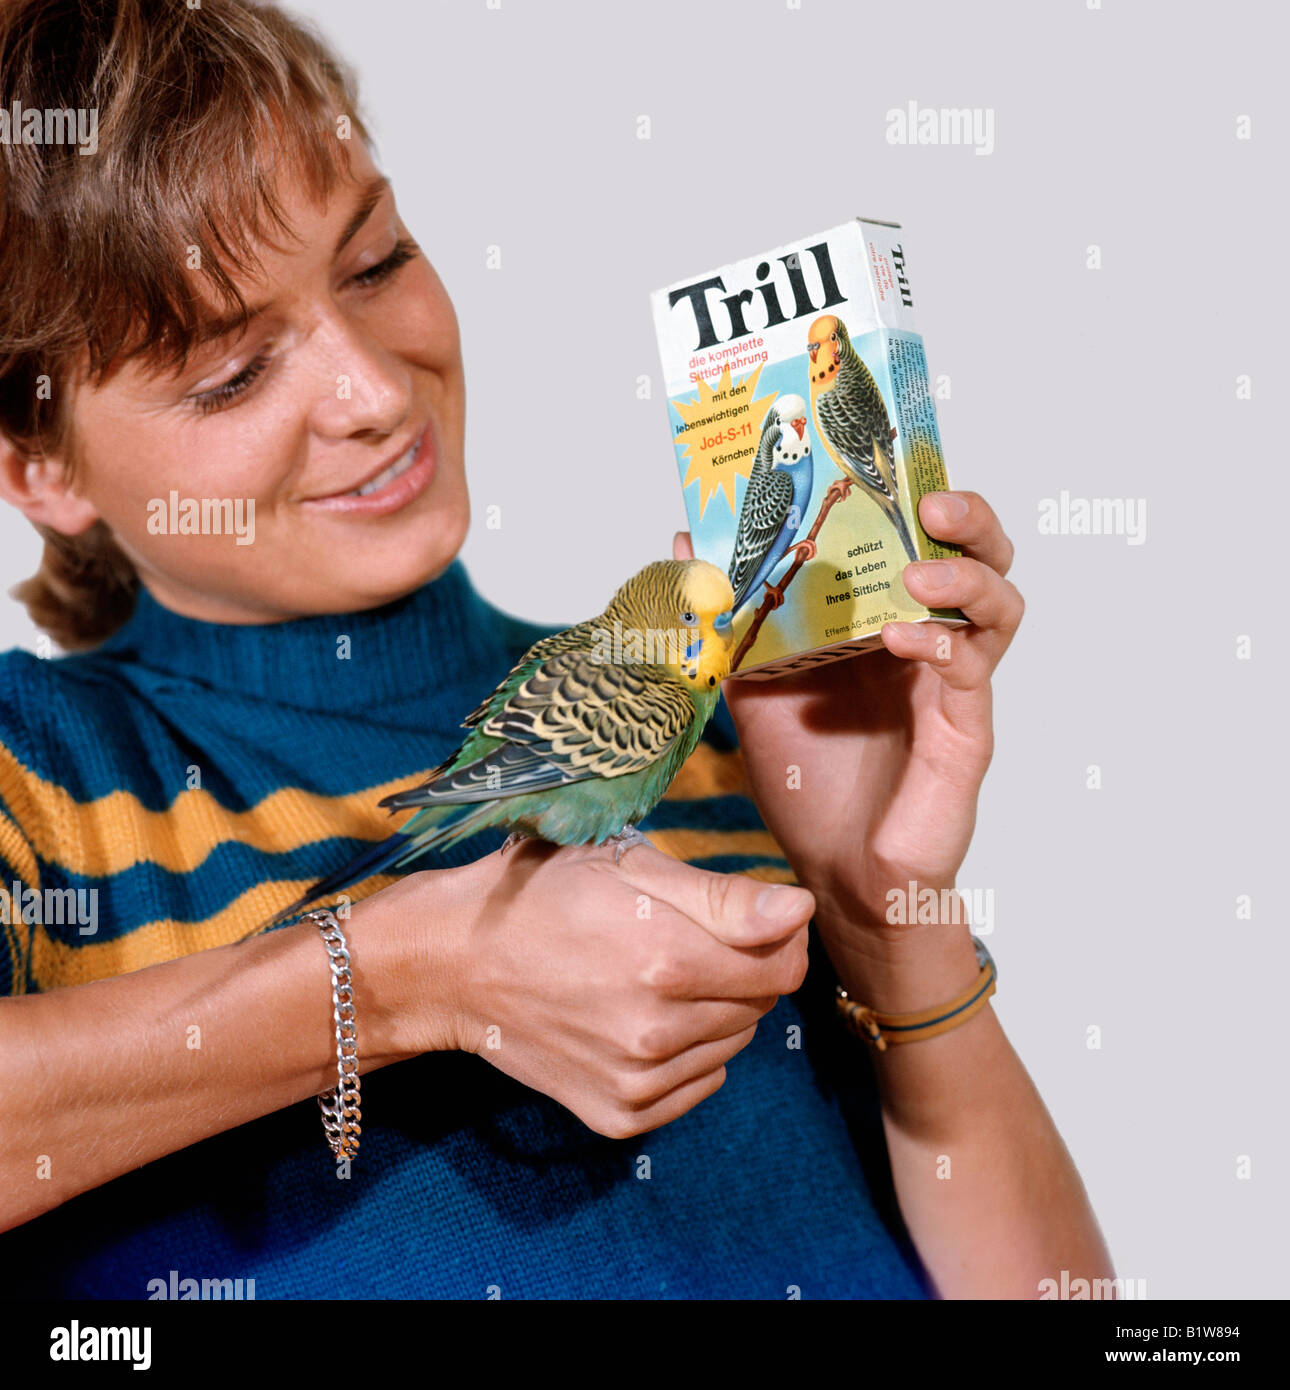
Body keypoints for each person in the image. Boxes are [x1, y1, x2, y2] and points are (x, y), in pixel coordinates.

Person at [0, 0, 1111, 1298]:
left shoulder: (712, 724)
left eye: (375, 263)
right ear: (37, 462)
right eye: (233, 372)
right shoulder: (43, 779)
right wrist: (415, 969)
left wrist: (882, 910)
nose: (373, 391)